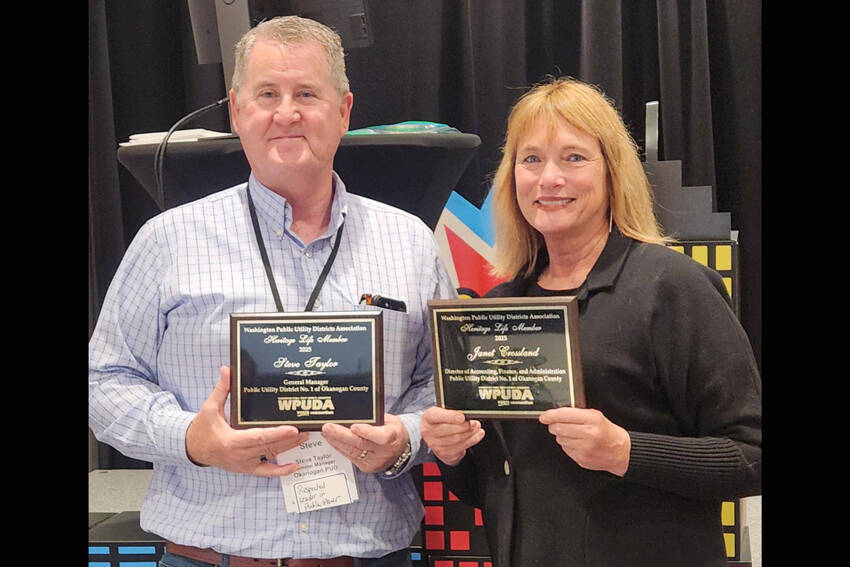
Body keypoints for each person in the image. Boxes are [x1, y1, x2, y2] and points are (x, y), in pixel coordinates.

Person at [89, 16, 456, 567]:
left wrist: (404, 438)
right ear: (238, 111)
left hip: (366, 556)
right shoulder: (168, 240)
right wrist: (191, 438)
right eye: (267, 94)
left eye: (306, 93)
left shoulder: (411, 242)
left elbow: (443, 384)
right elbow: (106, 381)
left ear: (343, 111)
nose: (286, 112)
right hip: (207, 556)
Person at [420, 77, 762, 567]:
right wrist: (452, 453)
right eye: (531, 158)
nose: (548, 178)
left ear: (612, 173)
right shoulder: (498, 308)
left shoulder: (673, 288)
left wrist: (624, 450)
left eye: (574, 158)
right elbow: (491, 485)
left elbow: (751, 456)